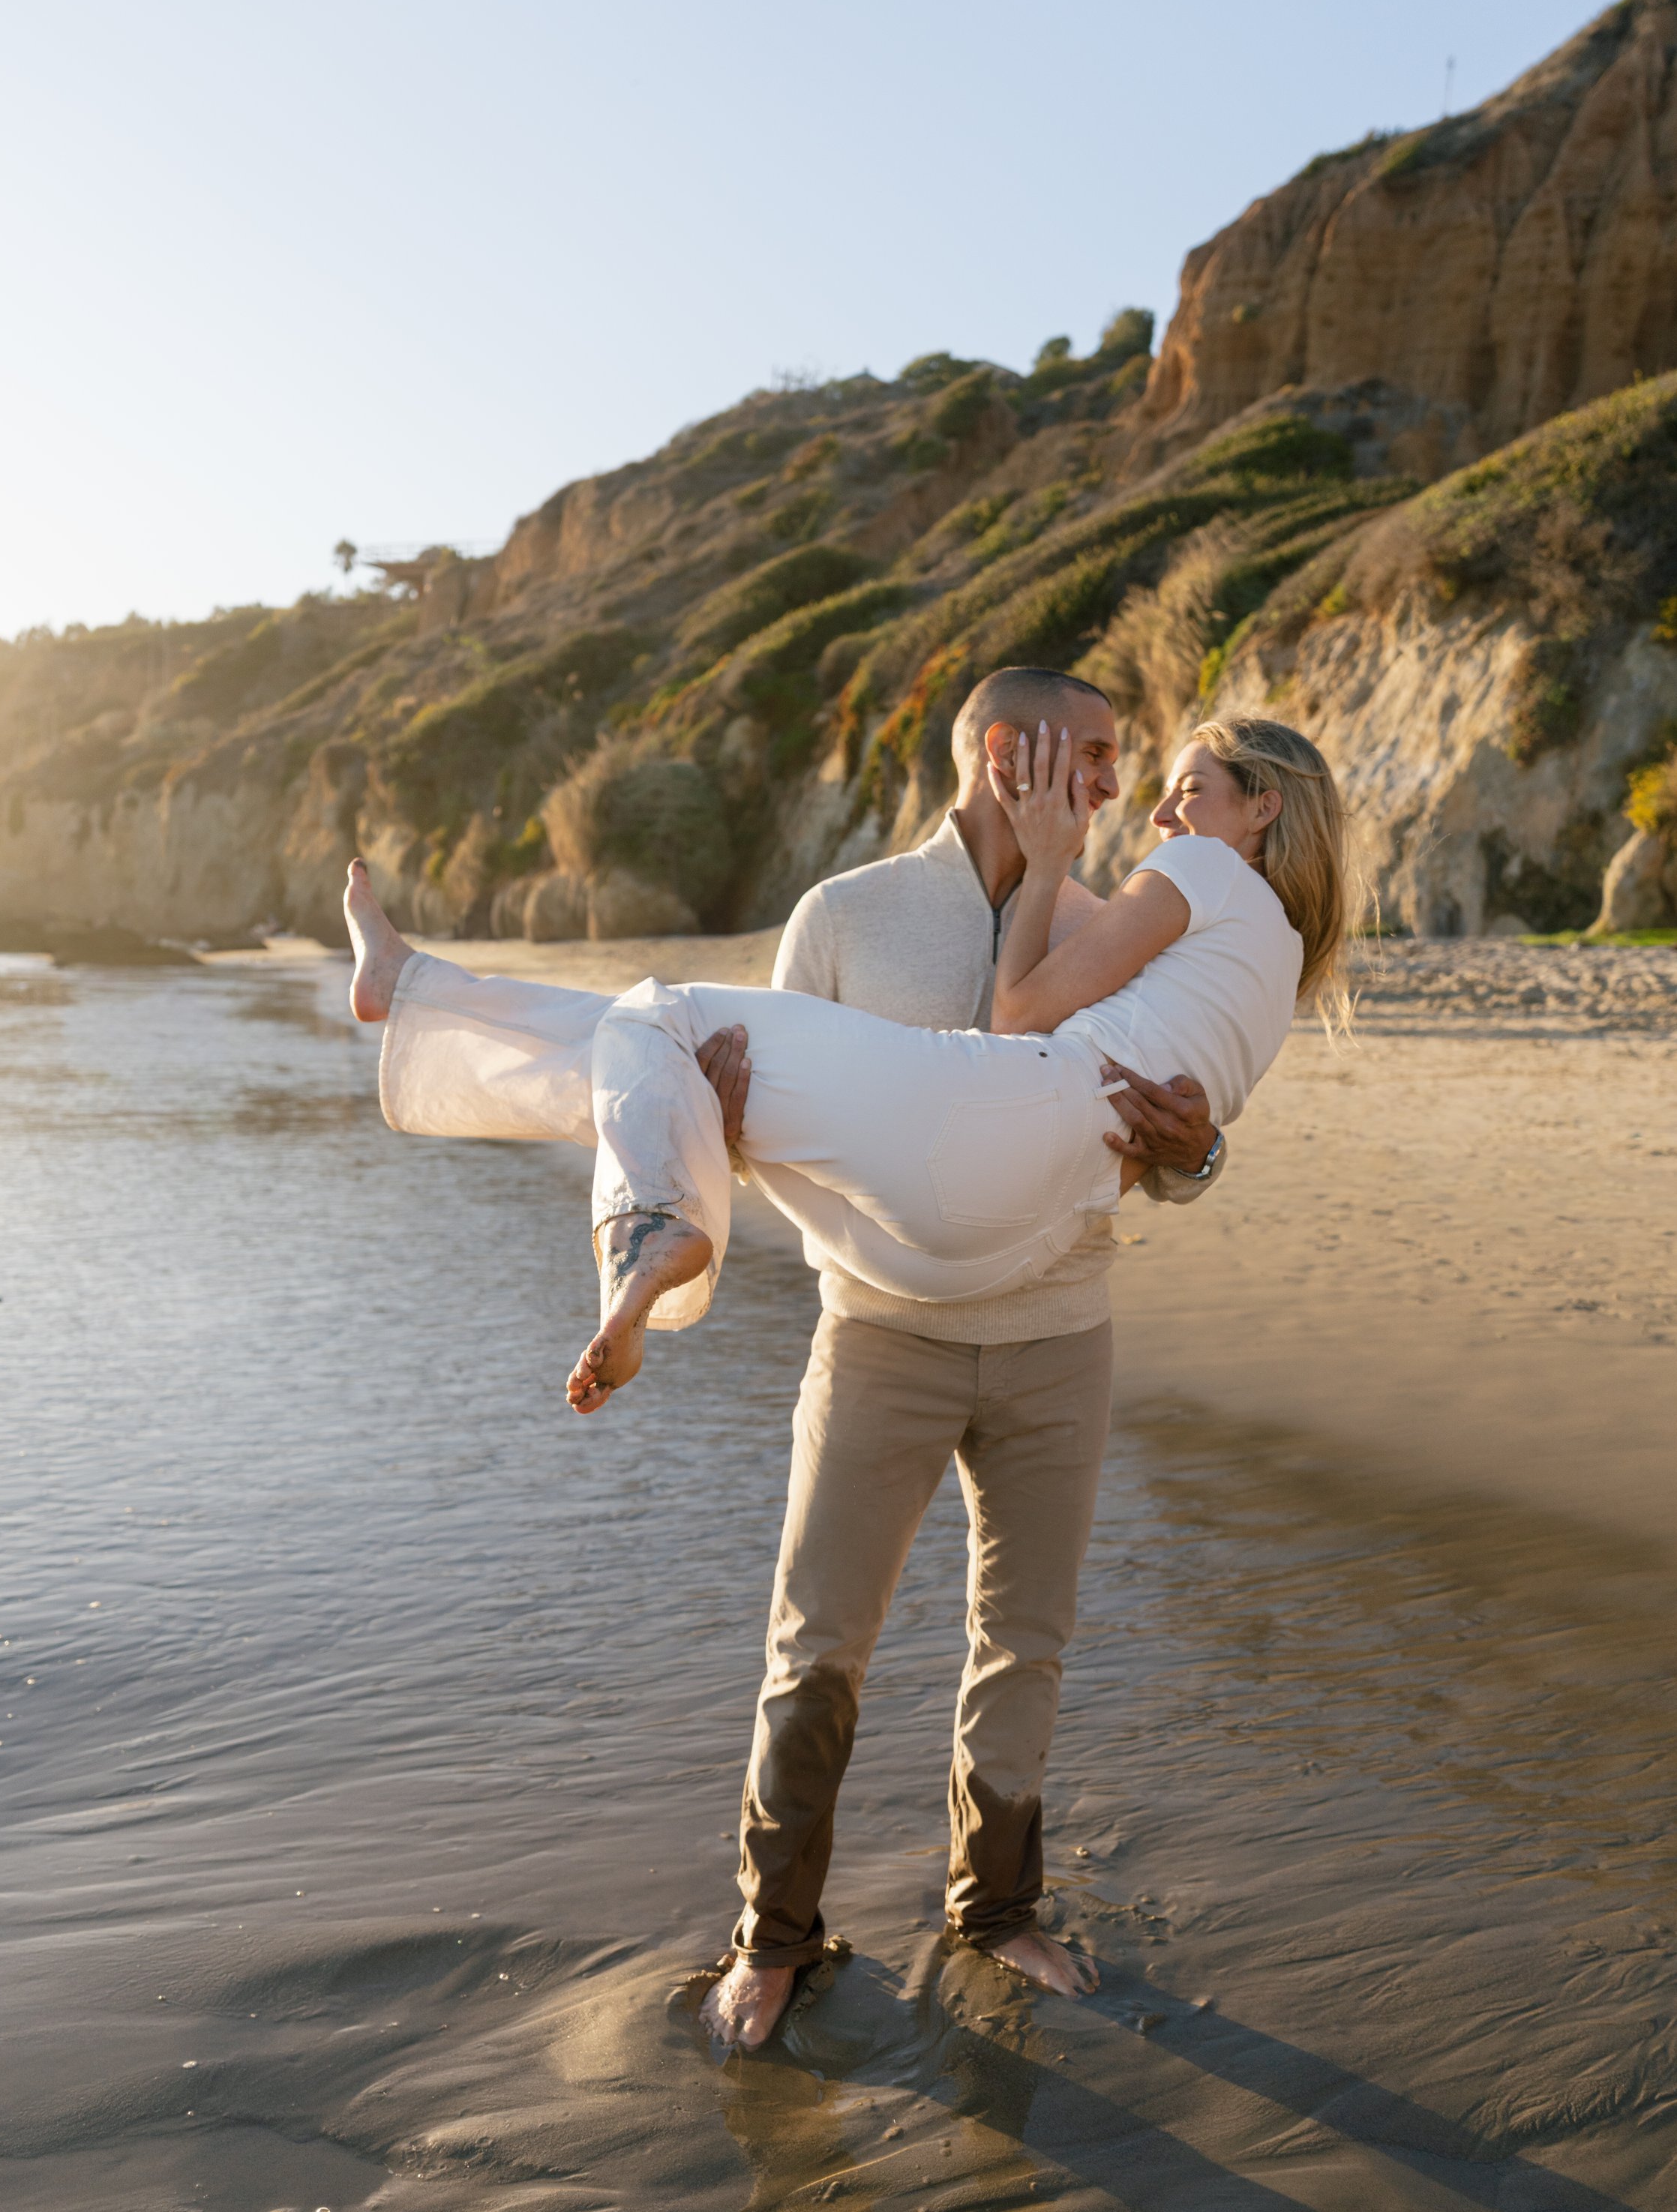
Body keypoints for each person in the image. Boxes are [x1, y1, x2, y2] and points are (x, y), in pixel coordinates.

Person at [344, 687, 1352, 2044]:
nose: (1119, 788)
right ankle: (774, 1934)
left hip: (1057, 1332)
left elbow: (1142, 1124)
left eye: (1140, 766)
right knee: (818, 1645)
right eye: (1100, 755)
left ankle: (995, 1909)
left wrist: (1202, 1151)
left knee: (1027, 1645)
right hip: (884, 1327)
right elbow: (758, 1118)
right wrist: (727, 1137)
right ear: (1016, 754)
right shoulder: (847, 917)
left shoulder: (1132, 899)